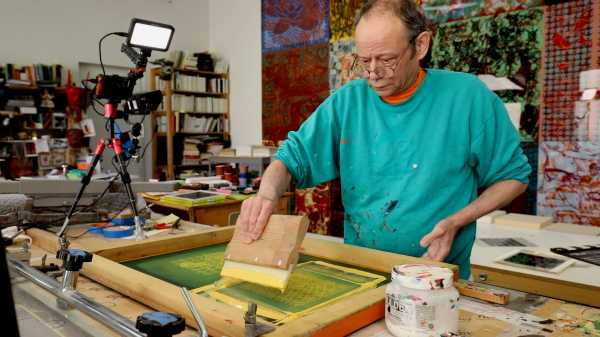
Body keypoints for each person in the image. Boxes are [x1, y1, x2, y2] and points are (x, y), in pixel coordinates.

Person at [236, 0, 531, 279]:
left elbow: (514, 177)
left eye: (387, 59)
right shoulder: (348, 102)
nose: (374, 73)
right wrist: (266, 196)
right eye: (364, 61)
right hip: (361, 271)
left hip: (436, 276)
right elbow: (290, 157)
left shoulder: (467, 97)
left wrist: (457, 221)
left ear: (421, 45)